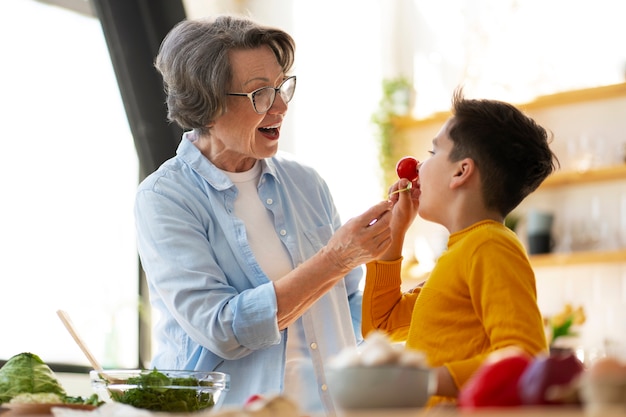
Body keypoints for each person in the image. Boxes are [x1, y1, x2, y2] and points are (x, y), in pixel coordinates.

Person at [134, 15, 393, 415]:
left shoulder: (306, 182)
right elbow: (223, 330)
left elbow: (351, 299)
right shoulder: (165, 197)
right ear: (207, 105)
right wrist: (335, 259)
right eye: (260, 94)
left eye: (281, 86)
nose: (281, 106)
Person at [361, 88, 559, 406]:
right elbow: (381, 327)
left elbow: (524, 360)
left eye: (432, 153)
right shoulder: (462, 251)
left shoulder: (490, 246)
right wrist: (395, 233)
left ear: (461, 171)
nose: (418, 167)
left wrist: (425, 380)